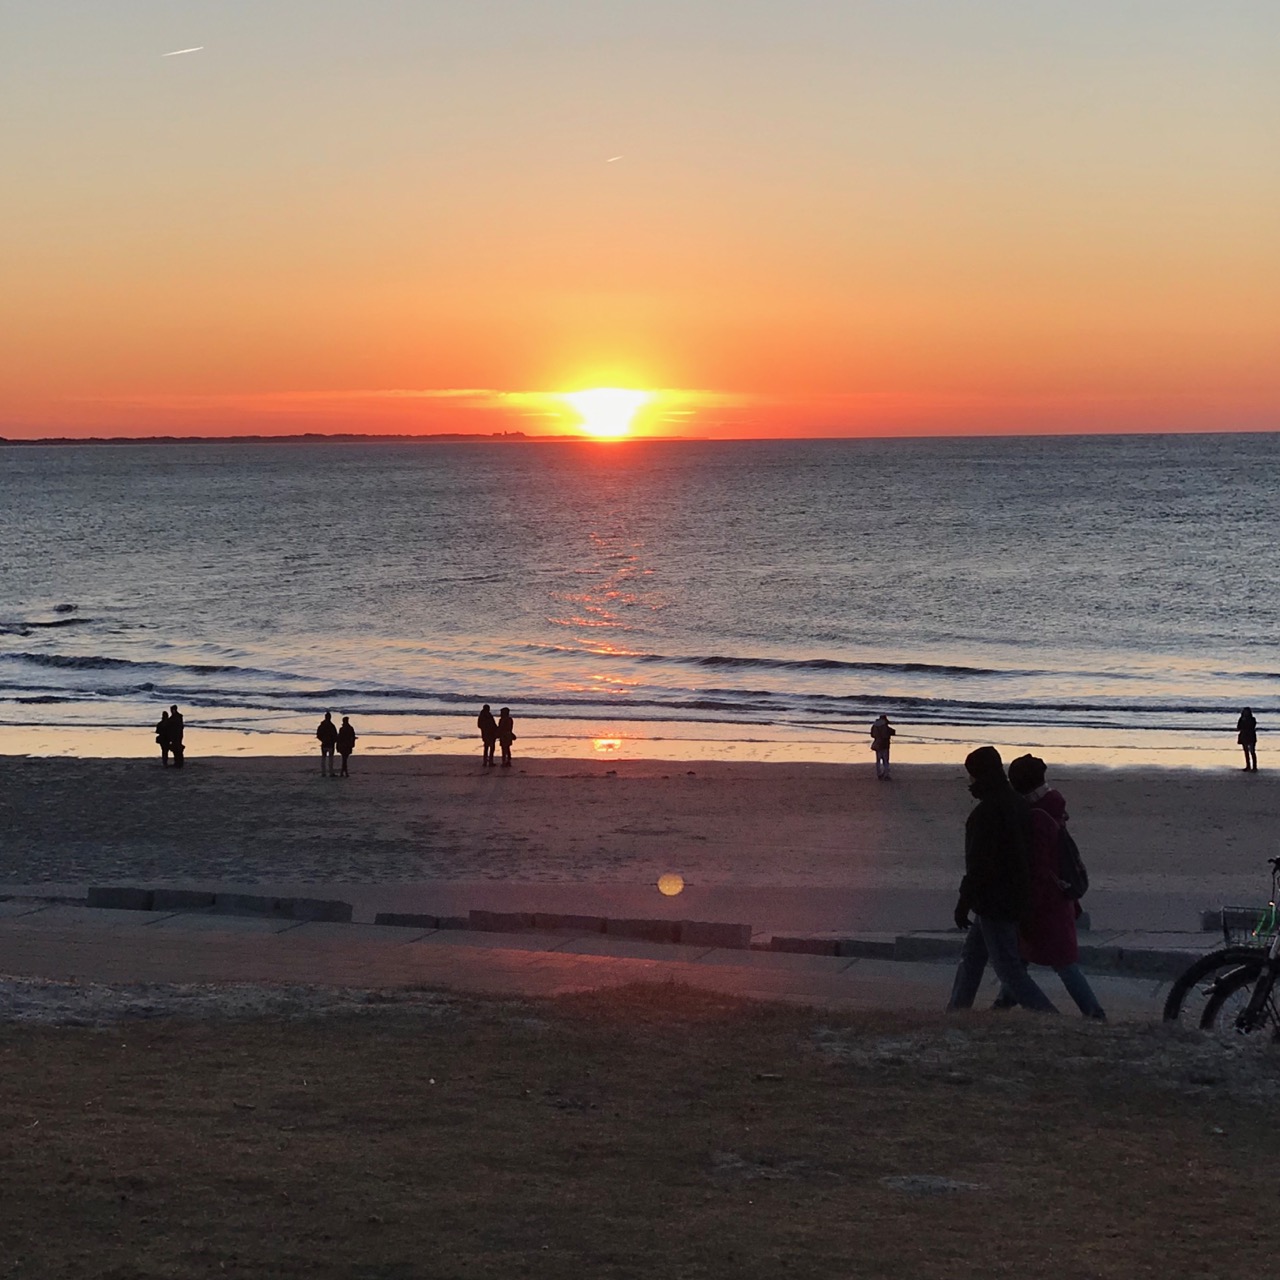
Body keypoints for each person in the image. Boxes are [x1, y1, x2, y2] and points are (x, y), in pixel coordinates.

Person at [946, 745, 1057, 1013]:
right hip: (1015, 895)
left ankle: (1049, 1017)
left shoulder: (984, 815)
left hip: (995, 902)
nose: (970, 783)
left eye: (972, 776)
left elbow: (978, 866)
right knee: (972, 957)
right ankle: (956, 1011)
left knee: (1009, 970)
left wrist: (963, 903)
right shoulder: (1019, 804)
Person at [1002, 754, 1106, 1020]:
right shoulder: (1051, 807)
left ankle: (1093, 1014)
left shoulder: (1036, 817)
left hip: (1045, 903)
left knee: (1058, 965)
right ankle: (1001, 1005)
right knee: (1029, 962)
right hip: (1059, 899)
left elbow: (1039, 868)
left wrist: (1027, 908)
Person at [870, 713, 896, 781]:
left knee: (878, 760)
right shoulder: (885, 726)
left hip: (877, 744)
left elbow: (872, 735)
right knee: (885, 761)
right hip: (885, 744)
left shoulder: (874, 726)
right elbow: (892, 732)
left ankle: (879, 774)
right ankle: (886, 775)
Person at [316, 711, 339, 776]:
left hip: (325, 743)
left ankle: (323, 772)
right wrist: (334, 741)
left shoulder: (322, 725)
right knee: (330, 759)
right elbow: (335, 735)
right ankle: (330, 772)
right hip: (330, 744)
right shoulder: (332, 726)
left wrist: (322, 740)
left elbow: (318, 735)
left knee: (324, 758)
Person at [1237, 707, 1258, 773]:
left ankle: (1254, 767)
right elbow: (1238, 727)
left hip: (1251, 736)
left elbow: (1252, 726)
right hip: (1244, 736)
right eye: (1244, 711)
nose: (1246, 713)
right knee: (1246, 752)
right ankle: (1248, 766)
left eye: (1247, 712)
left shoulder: (1252, 719)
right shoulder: (1241, 719)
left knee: (1252, 751)